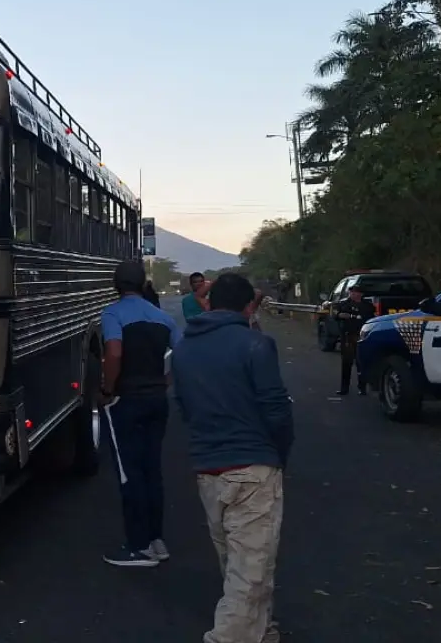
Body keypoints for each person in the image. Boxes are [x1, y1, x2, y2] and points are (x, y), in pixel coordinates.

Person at [171, 273, 292, 643]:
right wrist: (278, 454)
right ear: (248, 306)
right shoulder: (256, 344)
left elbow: (185, 407)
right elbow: (276, 411)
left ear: (209, 302)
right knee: (250, 569)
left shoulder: (183, 349)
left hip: (209, 470)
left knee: (237, 564)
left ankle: (263, 633)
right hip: (253, 467)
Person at [99, 260, 181, 568]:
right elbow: (180, 354)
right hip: (157, 400)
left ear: (116, 285)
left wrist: (108, 389)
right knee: (151, 470)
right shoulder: (162, 317)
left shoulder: (113, 314)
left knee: (128, 472)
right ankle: (156, 540)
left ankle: (138, 546)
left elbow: (115, 352)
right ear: (144, 283)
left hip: (127, 401)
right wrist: (164, 382)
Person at [333, 283, 375, 396]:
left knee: (361, 363)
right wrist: (341, 315)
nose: (354, 294)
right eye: (352, 292)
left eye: (357, 292)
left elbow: (371, 318)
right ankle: (344, 388)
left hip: (362, 336)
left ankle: (362, 388)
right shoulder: (343, 303)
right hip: (348, 335)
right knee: (346, 363)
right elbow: (336, 314)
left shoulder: (367, 306)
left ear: (361, 294)